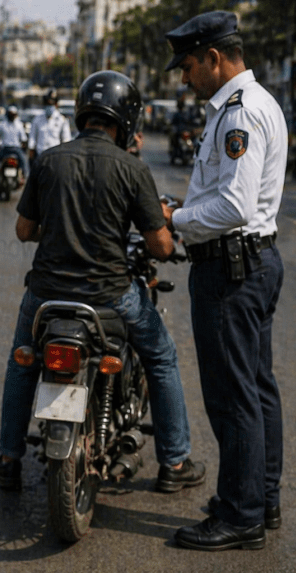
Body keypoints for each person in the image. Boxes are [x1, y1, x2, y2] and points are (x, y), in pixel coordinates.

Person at [0, 70, 205, 500]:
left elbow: (23, 230)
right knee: (161, 358)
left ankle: (9, 459)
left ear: (82, 112)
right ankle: (175, 462)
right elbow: (161, 248)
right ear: (126, 119)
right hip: (111, 297)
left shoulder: (49, 160)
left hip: (46, 295)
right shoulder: (133, 168)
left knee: (22, 364)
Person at [161, 11, 287, 551]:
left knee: (233, 396)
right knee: (258, 390)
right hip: (252, 262)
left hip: (232, 269)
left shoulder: (239, 113)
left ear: (214, 58)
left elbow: (234, 205)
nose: (184, 77)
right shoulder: (250, 105)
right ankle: (261, 498)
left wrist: (176, 219)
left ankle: (241, 516)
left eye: (188, 66)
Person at [27, 88, 72, 162]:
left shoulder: (62, 120)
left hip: (55, 157)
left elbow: (66, 140)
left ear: (56, 105)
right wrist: (31, 153)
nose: (49, 106)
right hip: (40, 156)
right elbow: (32, 138)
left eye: (51, 104)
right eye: (47, 104)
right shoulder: (37, 119)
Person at [0, 105, 28, 184]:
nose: (12, 116)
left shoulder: (18, 125)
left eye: (13, 114)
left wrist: (24, 143)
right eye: (11, 114)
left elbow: (23, 138)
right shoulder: (3, 124)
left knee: (24, 160)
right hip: (5, 149)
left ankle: (25, 176)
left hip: (16, 149)